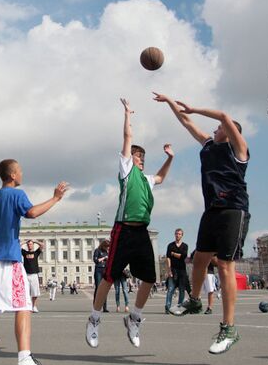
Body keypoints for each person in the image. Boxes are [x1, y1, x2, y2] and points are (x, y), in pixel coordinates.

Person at [155, 92, 250, 354]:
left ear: (230, 133)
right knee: (198, 260)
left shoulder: (239, 150)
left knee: (225, 267)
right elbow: (186, 123)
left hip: (234, 210)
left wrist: (195, 108)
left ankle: (229, 328)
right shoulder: (208, 146)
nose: (215, 128)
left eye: (220, 128)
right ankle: (195, 301)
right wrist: (171, 103)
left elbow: (223, 116)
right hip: (212, 211)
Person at [0, 158, 68, 365]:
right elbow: (32, 213)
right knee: (24, 306)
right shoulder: (17, 194)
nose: (22, 174)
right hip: (8, 258)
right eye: (20, 171)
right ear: (12, 175)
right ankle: (24, 357)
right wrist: (55, 198)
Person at [86, 98, 174, 349]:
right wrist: (127, 114)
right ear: (130, 158)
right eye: (138, 156)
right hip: (123, 230)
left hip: (141, 233)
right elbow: (126, 138)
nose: (141, 159)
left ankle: (134, 318)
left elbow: (161, 176)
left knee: (148, 278)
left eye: (143, 157)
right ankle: (94, 320)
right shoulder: (126, 170)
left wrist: (170, 158)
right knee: (109, 277)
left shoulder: (147, 180)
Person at [164, 228, 189, 314]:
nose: (177, 235)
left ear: (182, 235)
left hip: (182, 270)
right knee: (170, 289)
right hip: (173, 270)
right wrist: (169, 270)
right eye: (176, 234)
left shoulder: (185, 246)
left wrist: (173, 254)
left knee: (182, 290)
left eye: (179, 234)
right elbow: (168, 258)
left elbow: (183, 256)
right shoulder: (170, 245)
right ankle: (167, 307)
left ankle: (179, 307)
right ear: (174, 235)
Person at [21, 240, 44, 312]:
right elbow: (17, 246)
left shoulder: (36, 252)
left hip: (34, 274)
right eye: (28, 245)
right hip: (26, 274)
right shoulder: (25, 252)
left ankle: (34, 306)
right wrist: (24, 242)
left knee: (35, 292)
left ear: (33, 245)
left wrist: (35, 241)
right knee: (26, 292)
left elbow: (42, 245)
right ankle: (27, 306)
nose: (29, 246)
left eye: (31, 244)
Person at [92, 240, 109, 312]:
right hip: (98, 270)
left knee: (104, 289)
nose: (107, 248)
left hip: (105, 270)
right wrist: (104, 258)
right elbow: (96, 260)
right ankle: (95, 306)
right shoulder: (97, 250)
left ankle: (105, 307)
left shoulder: (107, 252)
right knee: (98, 288)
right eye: (106, 247)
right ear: (103, 246)